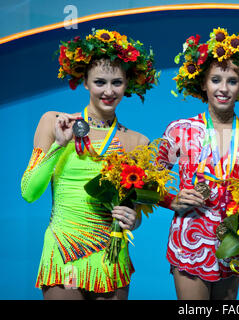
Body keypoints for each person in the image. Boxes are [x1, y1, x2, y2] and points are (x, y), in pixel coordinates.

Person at [21, 29, 159, 300]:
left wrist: (134, 219)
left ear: (128, 83)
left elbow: (135, 211)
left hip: (111, 258)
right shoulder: (54, 122)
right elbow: (29, 192)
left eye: (117, 82)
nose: (109, 91)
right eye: (100, 82)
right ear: (84, 81)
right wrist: (59, 146)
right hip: (63, 253)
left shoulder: (137, 141)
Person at [156, 28, 239, 300]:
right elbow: (144, 182)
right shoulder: (179, 130)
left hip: (232, 243)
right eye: (216, 80)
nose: (223, 88)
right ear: (203, 84)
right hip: (189, 239)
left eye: (232, 81)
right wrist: (171, 199)